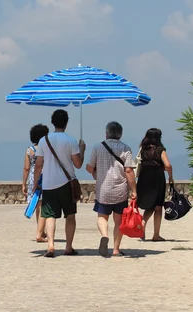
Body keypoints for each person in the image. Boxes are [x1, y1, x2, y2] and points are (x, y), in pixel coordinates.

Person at [32, 109, 86, 258]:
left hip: (49, 183)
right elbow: (78, 164)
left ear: (52, 122)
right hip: (67, 183)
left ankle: (50, 246)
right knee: (70, 215)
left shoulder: (44, 140)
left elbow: (38, 165)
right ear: (66, 123)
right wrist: (82, 150)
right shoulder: (71, 141)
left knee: (50, 215)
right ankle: (68, 246)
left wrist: (35, 183)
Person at [86, 121, 137, 257]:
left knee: (102, 217)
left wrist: (96, 173)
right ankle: (115, 249)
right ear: (120, 135)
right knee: (119, 220)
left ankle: (104, 235)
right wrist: (134, 190)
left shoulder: (98, 147)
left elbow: (89, 167)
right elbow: (129, 171)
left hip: (103, 190)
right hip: (120, 190)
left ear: (106, 133)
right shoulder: (126, 149)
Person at [136, 128, 174, 241]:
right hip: (157, 179)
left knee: (150, 206)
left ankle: (143, 223)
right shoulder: (160, 150)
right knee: (157, 206)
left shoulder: (143, 149)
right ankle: (156, 234)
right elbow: (168, 165)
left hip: (144, 179)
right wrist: (171, 177)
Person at [22, 123, 50, 242]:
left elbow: (26, 168)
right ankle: (41, 231)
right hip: (46, 177)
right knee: (45, 205)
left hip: (33, 178)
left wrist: (24, 183)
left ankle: (40, 230)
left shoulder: (30, 150)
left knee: (37, 205)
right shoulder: (47, 149)